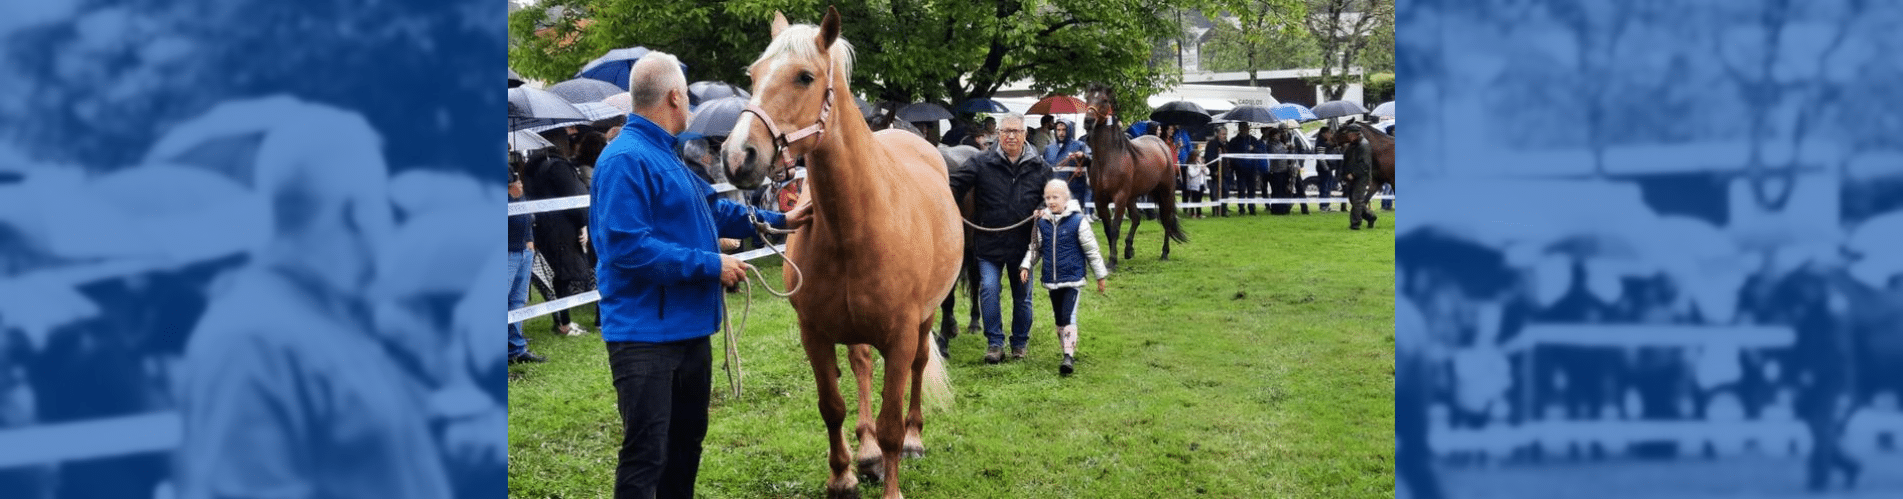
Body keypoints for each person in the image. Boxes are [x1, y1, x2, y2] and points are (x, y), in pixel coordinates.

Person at [589, 51, 809, 499]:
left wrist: (781, 221)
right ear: (674, 97)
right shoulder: (624, 159)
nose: (688, 105)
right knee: (646, 454)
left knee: (685, 445)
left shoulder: (666, 157)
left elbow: (715, 212)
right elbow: (626, 247)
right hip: (645, 338)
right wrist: (712, 265)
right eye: (686, 97)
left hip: (687, 332)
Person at [950, 113, 1053, 364]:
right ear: (998, 134)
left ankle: (1019, 343)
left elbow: (1054, 196)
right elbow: (954, 186)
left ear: (1024, 135)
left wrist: (1044, 208)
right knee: (988, 289)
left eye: (1016, 131)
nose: (1011, 136)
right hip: (989, 242)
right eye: (1006, 131)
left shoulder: (1040, 167)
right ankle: (995, 343)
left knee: (1023, 296)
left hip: (1023, 246)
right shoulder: (981, 162)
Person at [1019, 180, 1110, 376]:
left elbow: (1092, 250)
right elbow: (1035, 248)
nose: (1051, 201)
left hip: (1073, 279)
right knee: (1059, 319)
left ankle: (1068, 356)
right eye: (1048, 198)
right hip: (1052, 280)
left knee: (1069, 316)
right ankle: (1066, 349)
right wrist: (1026, 265)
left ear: (1066, 199)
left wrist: (1100, 275)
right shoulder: (1042, 223)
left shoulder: (1078, 221)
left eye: (1055, 197)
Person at [523, 130, 593, 336]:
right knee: (565, 276)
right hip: (563, 229)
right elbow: (573, 198)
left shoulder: (532, 167)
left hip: (544, 227)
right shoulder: (557, 166)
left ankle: (564, 321)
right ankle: (564, 324)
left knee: (558, 277)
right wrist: (583, 223)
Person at [508, 167, 546, 363]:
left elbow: (524, 209)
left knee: (517, 301)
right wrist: (510, 194)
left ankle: (516, 348)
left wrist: (529, 239)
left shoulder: (511, 175)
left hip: (523, 250)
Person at [1042, 119, 1091, 219]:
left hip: (1075, 191)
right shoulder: (1049, 148)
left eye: (1064, 130)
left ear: (1069, 130)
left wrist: (1083, 156)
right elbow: (1043, 169)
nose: (1061, 133)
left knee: (1073, 220)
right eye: (1058, 130)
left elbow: (1091, 159)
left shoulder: (1080, 145)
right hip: (1054, 192)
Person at [1341, 124, 1377, 230]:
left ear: (1355, 134)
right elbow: (1348, 160)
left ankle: (1355, 224)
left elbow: (1364, 164)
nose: (1348, 136)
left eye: (1349, 134)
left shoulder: (1364, 145)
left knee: (1357, 199)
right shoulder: (1352, 145)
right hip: (1352, 176)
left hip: (1362, 177)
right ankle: (1370, 217)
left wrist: (1353, 174)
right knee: (1354, 200)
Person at [1226, 125, 1264, 215]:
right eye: (1243, 128)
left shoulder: (1253, 140)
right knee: (1241, 190)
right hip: (1240, 170)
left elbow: (1260, 152)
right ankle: (1241, 208)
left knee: (1251, 190)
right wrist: (1237, 164)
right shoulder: (1234, 141)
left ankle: (1252, 208)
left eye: (1247, 128)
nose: (1246, 130)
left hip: (1252, 169)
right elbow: (1231, 155)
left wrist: (1253, 149)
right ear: (1240, 129)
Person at [1204, 125, 1230, 217]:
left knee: (1225, 191)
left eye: (1225, 134)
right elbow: (1209, 158)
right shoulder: (1212, 144)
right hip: (1215, 173)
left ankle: (1224, 209)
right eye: (1223, 134)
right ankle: (1215, 210)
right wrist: (1214, 170)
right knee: (1215, 192)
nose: (1224, 136)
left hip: (1226, 172)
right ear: (1218, 134)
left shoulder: (1227, 144)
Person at [1313, 126, 1339, 212]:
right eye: (1329, 133)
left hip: (1327, 168)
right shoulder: (1320, 143)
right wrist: (1326, 168)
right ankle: (1323, 205)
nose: (1330, 135)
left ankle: (1326, 205)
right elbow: (1321, 158)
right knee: (1324, 187)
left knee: (1327, 187)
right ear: (1323, 134)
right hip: (1324, 169)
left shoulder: (1325, 142)